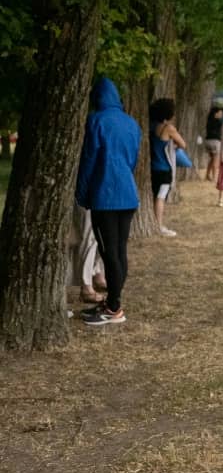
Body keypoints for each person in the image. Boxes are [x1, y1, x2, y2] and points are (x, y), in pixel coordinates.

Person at [75, 76, 142, 326]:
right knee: (120, 250)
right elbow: (133, 159)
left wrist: (82, 193)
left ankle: (114, 307)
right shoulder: (132, 123)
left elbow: (89, 160)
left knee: (108, 251)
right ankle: (113, 303)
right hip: (128, 193)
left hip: (104, 195)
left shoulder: (96, 120)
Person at [149, 98, 188, 237]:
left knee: (154, 196)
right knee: (160, 197)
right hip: (164, 169)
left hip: (152, 168)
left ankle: (155, 223)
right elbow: (183, 144)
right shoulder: (168, 128)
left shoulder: (151, 126)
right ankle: (159, 226)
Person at [203, 106, 223, 181]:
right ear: (216, 113)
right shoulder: (219, 122)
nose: (221, 115)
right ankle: (214, 177)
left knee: (212, 159)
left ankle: (207, 175)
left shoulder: (209, 120)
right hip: (215, 142)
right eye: (220, 113)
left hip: (208, 141)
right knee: (216, 160)